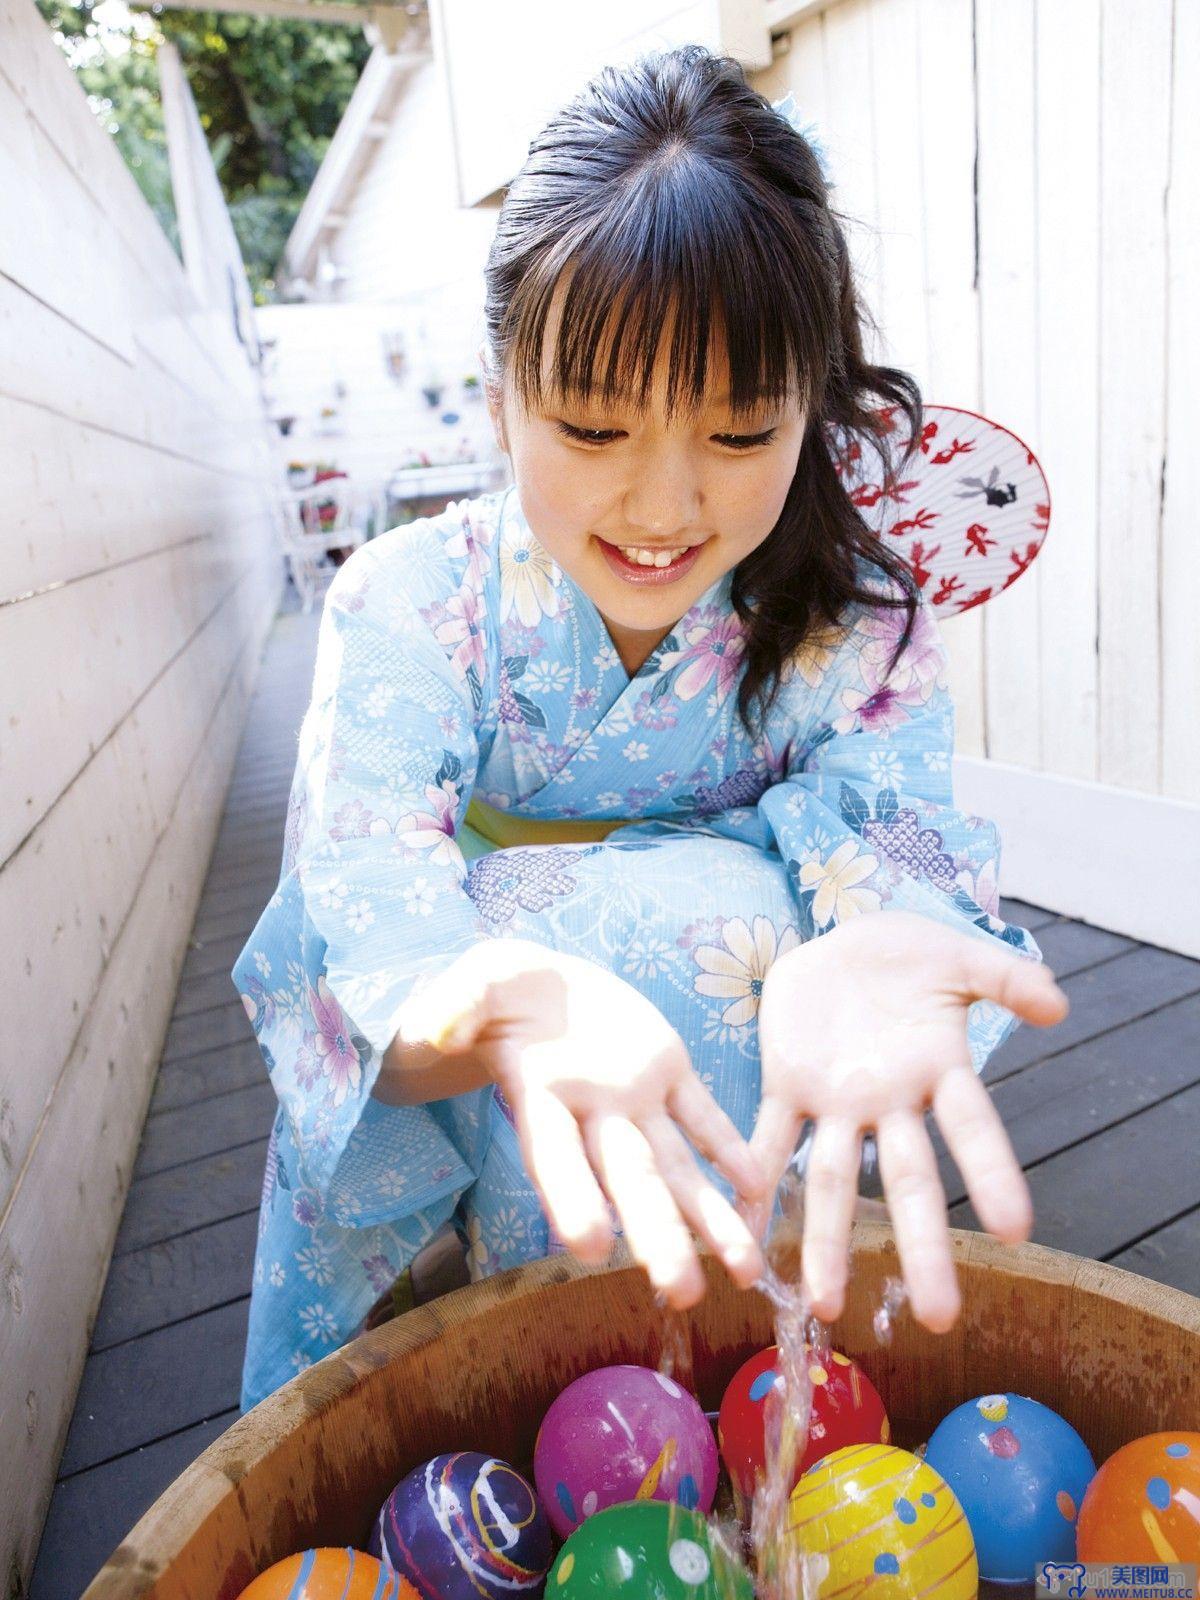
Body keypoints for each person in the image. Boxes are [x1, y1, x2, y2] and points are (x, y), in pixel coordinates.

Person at [232, 43, 1068, 1412]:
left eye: (742, 435)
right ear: (498, 392)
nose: (664, 507)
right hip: (483, 1049)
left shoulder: (848, 618)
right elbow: (369, 891)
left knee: (737, 941)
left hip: (730, 1047)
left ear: (814, 404)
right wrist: (503, 992)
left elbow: (890, 831)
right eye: (593, 426)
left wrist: (875, 934)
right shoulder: (412, 602)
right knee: (412, 1407)